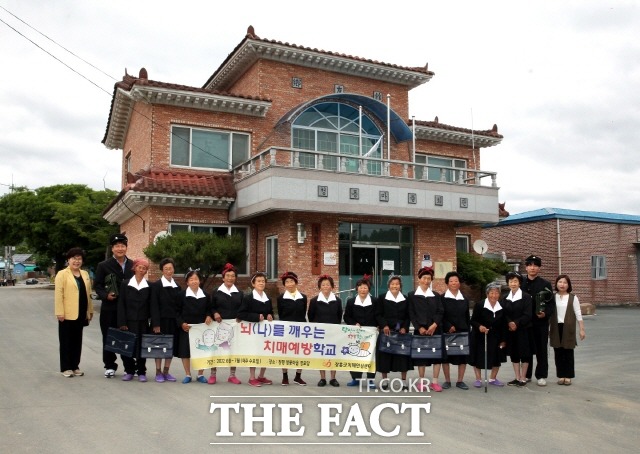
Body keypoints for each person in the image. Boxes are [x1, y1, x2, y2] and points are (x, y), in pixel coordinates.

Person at [94, 233, 134, 378]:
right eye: (117, 246)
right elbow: (97, 286)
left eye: (122, 246)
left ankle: (129, 367)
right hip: (110, 308)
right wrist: (105, 295)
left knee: (126, 337)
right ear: (112, 249)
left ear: (126, 248)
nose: (120, 248)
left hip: (127, 309)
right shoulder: (103, 266)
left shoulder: (132, 265)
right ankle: (110, 365)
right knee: (108, 336)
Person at [54, 247, 93, 377]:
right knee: (66, 341)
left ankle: (75, 366)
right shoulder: (62, 274)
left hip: (81, 312)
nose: (77, 261)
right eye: (74, 258)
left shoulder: (85, 274)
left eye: (79, 259)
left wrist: (90, 311)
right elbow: (58, 294)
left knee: (77, 340)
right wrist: (60, 312)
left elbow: (88, 294)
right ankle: (66, 367)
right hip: (67, 313)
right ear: (68, 260)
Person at [408, 266, 444, 392]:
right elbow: (411, 313)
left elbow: (440, 311)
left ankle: (434, 382)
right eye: (424, 278)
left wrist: (434, 325)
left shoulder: (436, 295)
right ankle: (422, 382)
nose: (427, 281)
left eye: (429, 278)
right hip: (420, 330)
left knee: (437, 357)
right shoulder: (412, 295)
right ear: (419, 279)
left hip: (435, 329)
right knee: (421, 356)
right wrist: (419, 327)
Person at [175, 269, 213, 384]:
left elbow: (209, 309)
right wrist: (181, 323)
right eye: (191, 279)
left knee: (201, 350)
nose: (194, 281)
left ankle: (200, 374)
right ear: (187, 282)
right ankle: (188, 374)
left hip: (201, 328)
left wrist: (208, 316)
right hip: (187, 327)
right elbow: (176, 312)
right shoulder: (181, 295)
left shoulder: (205, 295)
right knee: (185, 351)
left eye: (196, 279)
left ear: (200, 281)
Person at [521, 255, 555, 386]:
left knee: (541, 349)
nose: (532, 268)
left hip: (540, 323)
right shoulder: (521, 283)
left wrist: (545, 314)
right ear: (526, 267)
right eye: (530, 265)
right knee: (527, 349)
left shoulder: (545, 284)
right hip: (525, 323)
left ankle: (541, 375)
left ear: (539, 268)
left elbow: (551, 304)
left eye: (535, 265)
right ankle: (527, 374)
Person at [117, 258, 151, 382]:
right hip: (128, 321)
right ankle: (129, 370)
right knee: (127, 347)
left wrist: (153, 323)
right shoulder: (126, 284)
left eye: (144, 268)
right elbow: (121, 304)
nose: (141, 270)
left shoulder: (149, 286)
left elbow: (151, 305)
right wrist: (122, 322)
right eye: (139, 267)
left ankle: (141, 371)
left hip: (143, 322)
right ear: (134, 268)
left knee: (142, 347)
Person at [238, 271, 274, 387]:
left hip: (265, 332)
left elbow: (271, 313)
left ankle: (261, 376)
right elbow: (241, 314)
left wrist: (270, 316)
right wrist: (256, 317)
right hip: (252, 331)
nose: (261, 283)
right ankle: (252, 377)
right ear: (253, 284)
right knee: (253, 353)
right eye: (258, 281)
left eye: (263, 281)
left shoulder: (267, 298)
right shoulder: (248, 298)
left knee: (265, 352)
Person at [375, 274, 411, 390]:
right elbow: (378, 314)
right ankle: (385, 381)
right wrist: (384, 325)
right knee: (385, 356)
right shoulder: (382, 298)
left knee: (403, 356)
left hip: (401, 332)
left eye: (397, 284)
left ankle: (404, 381)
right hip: (387, 332)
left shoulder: (405, 299)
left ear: (400, 286)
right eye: (392, 284)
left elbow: (408, 316)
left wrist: (405, 327)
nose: (395, 286)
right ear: (389, 286)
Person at [149, 257, 182, 383]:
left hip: (173, 321)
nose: (169, 271)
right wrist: (156, 323)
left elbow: (179, 306)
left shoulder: (177, 286)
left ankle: (166, 371)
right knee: (159, 346)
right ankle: (158, 371)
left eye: (171, 268)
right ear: (162, 270)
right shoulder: (156, 285)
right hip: (160, 321)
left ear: (174, 269)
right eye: (166, 269)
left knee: (170, 346)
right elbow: (154, 305)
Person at [550, 274, 586, 386]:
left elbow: (578, 313)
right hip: (556, 327)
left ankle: (568, 376)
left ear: (568, 285)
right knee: (558, 352)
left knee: (568, 352)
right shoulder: (552, 297)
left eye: (565, 282)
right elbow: (548, 313)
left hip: (568, 327)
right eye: (560, 282)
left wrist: (581, 329)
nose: (562, 284)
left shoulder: (573, 297)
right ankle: (561, 375)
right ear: (556, 284)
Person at [210, 262, 243, 385]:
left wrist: (240, 315)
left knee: (233, 350)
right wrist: (215, 313)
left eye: (232, 276)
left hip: (234, 325)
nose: (230, 278)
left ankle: (232, 375)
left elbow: (242, 308)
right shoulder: (216, 291)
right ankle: (213, 374)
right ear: (223, 277)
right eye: (228, 276)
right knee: (216, 349)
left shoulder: (239, 293)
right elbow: (211, 307)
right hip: (219, 325)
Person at [470, 282, 507, 387]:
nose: (494, 295)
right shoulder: (480, 305)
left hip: (496, 336)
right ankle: (478, 379)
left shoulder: (501, 307)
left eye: (496, 293)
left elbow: (504, 325)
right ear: (487, 294)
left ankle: (493, 378)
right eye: (491, 293)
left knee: (496, 358)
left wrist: (503, 339)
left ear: (499, 295)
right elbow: (473, 321)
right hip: (481, 336)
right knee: (479, 357)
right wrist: (480, 326)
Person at [308, 274, 343, 387]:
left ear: (332, 286)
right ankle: (322, 378)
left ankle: (333, 378)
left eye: (328, 284)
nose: (326, 286)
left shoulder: (337, 301)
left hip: (333, 332)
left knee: (333, 354)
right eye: (323, 284)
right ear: (320, 287)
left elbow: (339, 315)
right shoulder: (314, 301)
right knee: (321, 354)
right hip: (320, 333)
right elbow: (310, 316)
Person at [438, 271, 471, 390]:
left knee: (462, 357)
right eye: (451, 281)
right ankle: (447, 381)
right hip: (448, 331)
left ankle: (460, 381)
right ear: (447, 283)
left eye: (456, 281)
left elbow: (467, 316)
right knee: (446, 357)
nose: (454, 283)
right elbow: (440, 315)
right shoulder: (442, 298)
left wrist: (468, 330)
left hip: (462, 331)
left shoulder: (465, 299)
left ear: (459, 283)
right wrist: (448, 326)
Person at [344, 275, 378, 389]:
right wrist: (354, 323)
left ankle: (370, 379)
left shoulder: (375, 301)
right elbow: (346, 317)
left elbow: (378, 315)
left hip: (371, 334)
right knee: (355, 354)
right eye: (360, 287)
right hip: (356, 333)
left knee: (371, 356)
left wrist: (378, 326)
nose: (363, 289)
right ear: (357, 288)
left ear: (369, 289)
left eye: (365, 287)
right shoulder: (351, 301)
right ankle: (355, 378)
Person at [502, 271, 533, 387]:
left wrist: (516, 323)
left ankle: (523, 378)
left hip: (523, 329)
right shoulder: (505, 297)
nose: (513, 283)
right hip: (510, 330)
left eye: (515, 281)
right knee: (514, 353)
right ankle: (517, 377)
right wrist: (509, 322)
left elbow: (528, 314)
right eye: (511, 281)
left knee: (525, 353)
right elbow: (503, 313)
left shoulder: (526, 297)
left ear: (520, 283)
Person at [276, 271, 308, 386]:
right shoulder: (280, 298)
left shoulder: (303, 297)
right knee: (286, 352)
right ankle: (285, 376)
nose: (290, 284)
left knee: (300, 352)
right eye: (287, 282)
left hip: (300, 329)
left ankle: (298, 376)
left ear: (296, 282)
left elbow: (303, 312)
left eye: (292, 281)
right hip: (286, 329)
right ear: (284, 284)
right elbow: (280, 314)